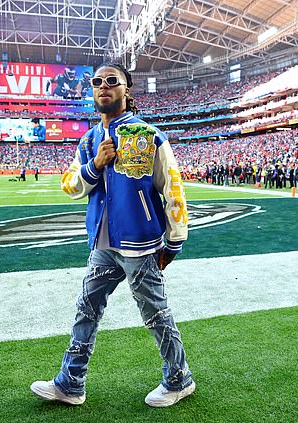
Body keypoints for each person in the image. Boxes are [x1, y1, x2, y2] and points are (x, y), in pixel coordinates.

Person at [31, 63, 194, 408]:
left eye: (111, 81)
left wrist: (175, 241)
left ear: (127, 89)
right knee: (86, 310)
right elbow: (70, 185)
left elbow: (174, 188)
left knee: (156, 315)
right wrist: (95, 165)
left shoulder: (148, 136)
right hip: (103, 245)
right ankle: (71, 383)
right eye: (97, 82)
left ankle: (180, 379)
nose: (103, 86)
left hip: (140, 245)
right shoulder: (89, 140)